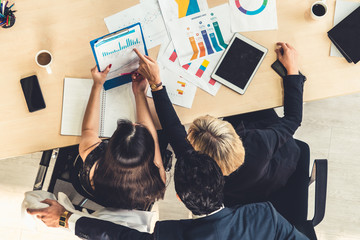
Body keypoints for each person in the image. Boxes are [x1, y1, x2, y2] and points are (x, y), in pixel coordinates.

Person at [134, 43, 306, 207]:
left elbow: (173, 128)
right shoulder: (259, 142)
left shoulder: (195, 167)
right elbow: (293, 119)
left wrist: (156, 83)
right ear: (236, 136)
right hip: (271, 170)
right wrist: (292, 70)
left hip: (246, 185)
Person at [27, 149, 309, 239]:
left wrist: (66, 219)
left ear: (179, 198)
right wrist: (65, 219)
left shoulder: (171, 234)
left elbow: (119, 236)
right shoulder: (265, 214)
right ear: (221, 181)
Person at [74, 65, 166, 210]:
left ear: (110, 145)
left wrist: (97, 84)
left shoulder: (93, 160)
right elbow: (153, 138)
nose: (136, 122)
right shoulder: (157, 178)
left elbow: (88, 129)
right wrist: (139, 93)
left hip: (98, 192)